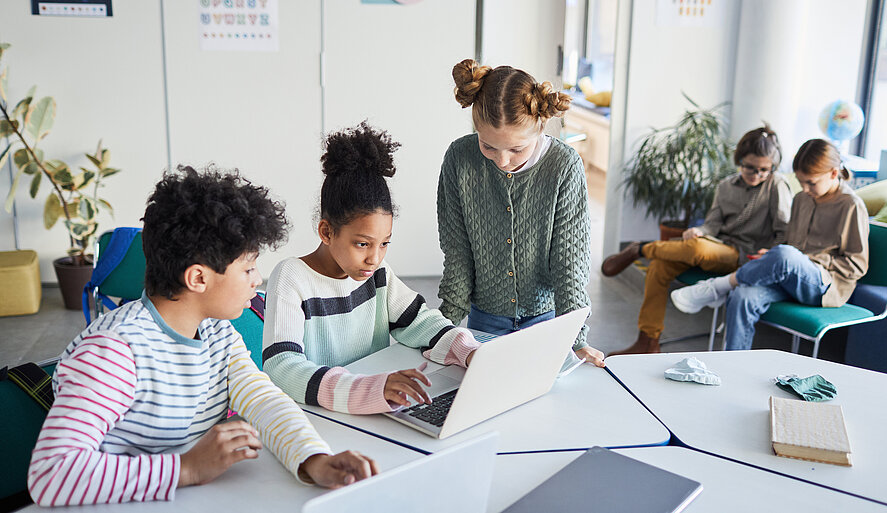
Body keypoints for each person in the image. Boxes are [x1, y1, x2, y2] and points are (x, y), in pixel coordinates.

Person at [28, 166, 377, 507]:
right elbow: (50, 474)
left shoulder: (216, 332)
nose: (257, 280)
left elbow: (263, 400)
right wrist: (187, 468)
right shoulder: (114, 353)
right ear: (198, 278)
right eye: (247, 268)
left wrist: (312, 459)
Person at [263, 122, 481, 415]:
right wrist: (367, 389)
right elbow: (282, 367)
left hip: (373, 411)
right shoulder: (291, 278)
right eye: (363, 244)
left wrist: (469, 351)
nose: (374, 258)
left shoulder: (377, 274)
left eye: (384, 244)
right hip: (322, 417)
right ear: (326, 232)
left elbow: (418, 321)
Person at [436, 59, 604, 367]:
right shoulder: (459, 159)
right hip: (484, 321)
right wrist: (443, 328)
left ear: (540, 127)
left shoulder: (564, 166)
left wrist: (577, 338)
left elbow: (569, 260)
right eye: (488, 146)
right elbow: (457, 252)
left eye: (516, 150)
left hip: (547, 322)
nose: (502, 161)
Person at [601, 125, 792, 355]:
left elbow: (784, 231)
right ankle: (648, 342)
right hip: (717, 246)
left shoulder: (776, 185)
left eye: (764, 169)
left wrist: (769, 253)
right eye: (750, 168)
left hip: (747, 256)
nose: (757, 174)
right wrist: (699, 230)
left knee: (697, 248)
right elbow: (712, 223)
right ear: (739, 159)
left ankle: (640, 249)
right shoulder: (725, 186)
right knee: (660, 267)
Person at [671, 138, 869, 351]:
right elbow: (790, 242)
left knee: (785, 255)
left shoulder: (851, 205)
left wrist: (797, 259)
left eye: (811, 182)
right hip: (790, 277)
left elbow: (856, 265)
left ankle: (718, 286)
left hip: (824, 285)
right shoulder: (802, 198)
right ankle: (732, 366)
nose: (805, 188)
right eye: (801, 182)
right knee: (742, 296)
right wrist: (772, 256)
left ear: (833, 173)